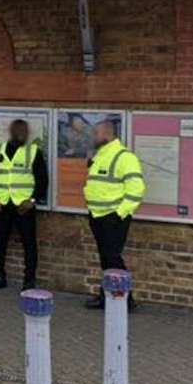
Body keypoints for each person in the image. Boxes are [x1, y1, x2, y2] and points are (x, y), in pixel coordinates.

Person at [83, 118, 144, 310]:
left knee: (112, 257)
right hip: (97, 215)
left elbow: (136, 189)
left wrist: (120, 213)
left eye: (96, 133)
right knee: (106, 258)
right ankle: (107, 295)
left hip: (113, 217)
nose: (93, 137)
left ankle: (125, 298)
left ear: (107, 134)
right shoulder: (100, 156)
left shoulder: (125, 157)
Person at [0, 118, 47, 292]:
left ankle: (29, 280)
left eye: (25, 132)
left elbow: (42, 180)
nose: (23, 135)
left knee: (29, 243)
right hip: (1, 204)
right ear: (12, 132)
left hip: (23, 206)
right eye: (20, 131)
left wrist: (32, 200)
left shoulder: (33, 152)